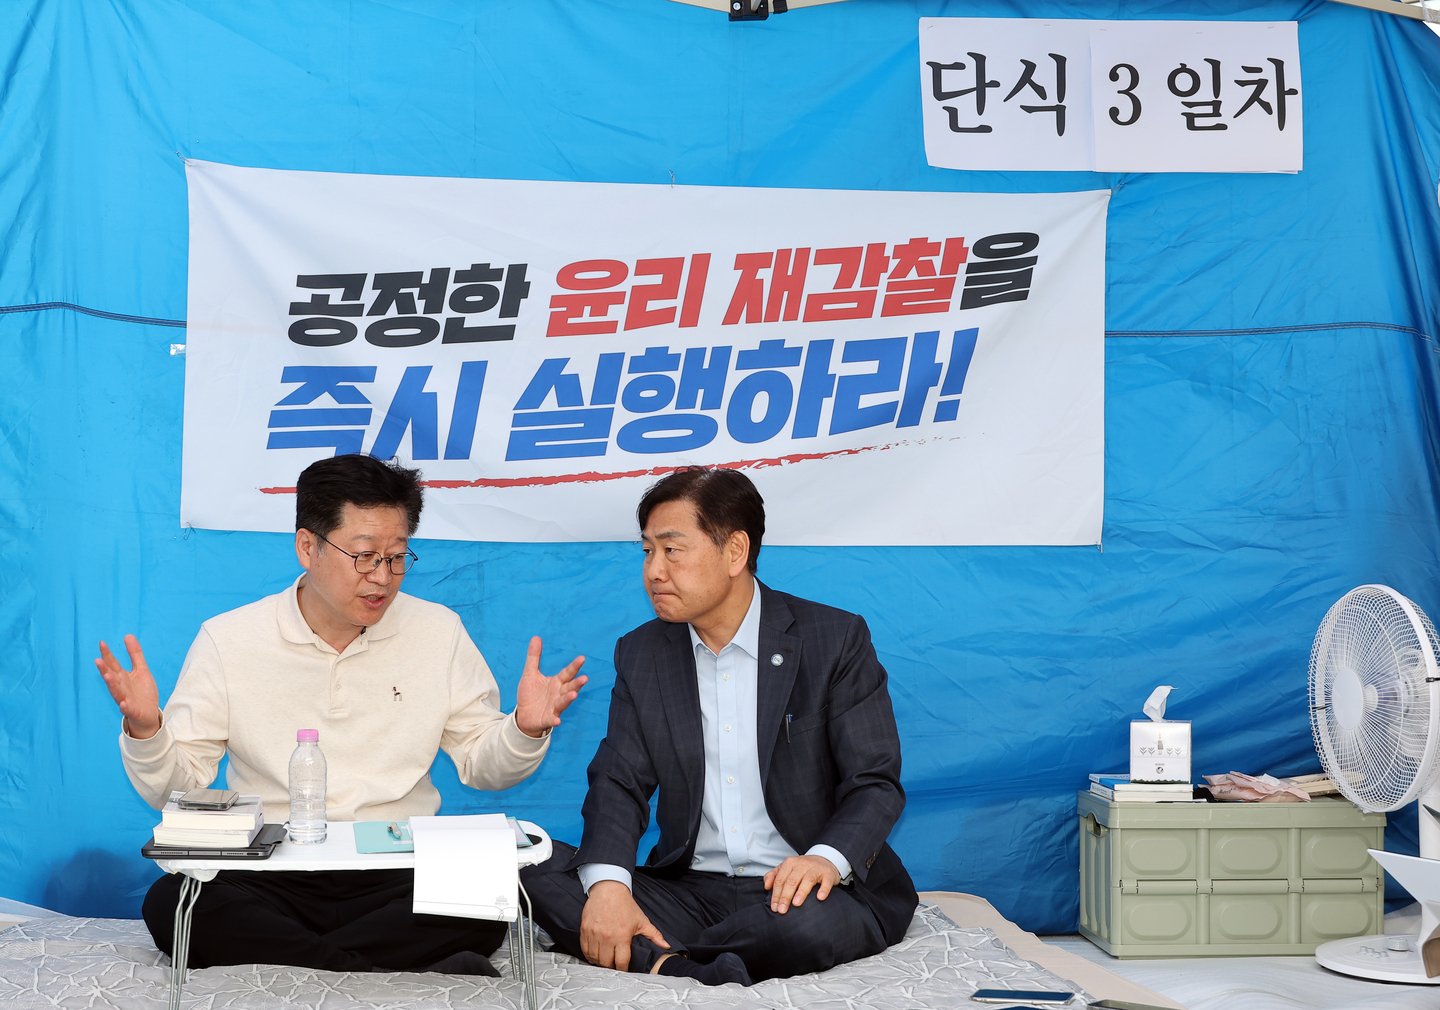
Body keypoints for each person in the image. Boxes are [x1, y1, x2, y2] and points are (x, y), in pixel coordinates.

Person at [97, 453, 587, 975]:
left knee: (485, 896)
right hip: (274, 868)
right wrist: (147, 732)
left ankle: (309, 961)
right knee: (171, 904)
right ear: (307, 547)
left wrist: (523, 729)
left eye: (397, 557)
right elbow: (180, 790)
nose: (382, 577)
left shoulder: (438, 631)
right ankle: (374, 966)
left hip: (399, 865)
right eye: (365, 556)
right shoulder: (230, 639)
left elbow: (484, 767)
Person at [521, 466, 916, 986]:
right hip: (689, 889)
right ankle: (690, 962)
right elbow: (619, 784)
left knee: (806, 928)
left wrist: (823, 860)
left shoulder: (833, 638)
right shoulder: (643, 652)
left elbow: (875, 782)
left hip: (800, 888)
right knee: (533, 874)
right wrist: (611, 889)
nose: (654, 571)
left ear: (734, 552)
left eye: (671, 549)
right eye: (647, 551)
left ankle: (660, 959)